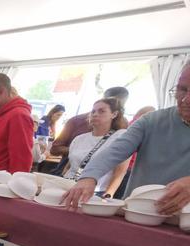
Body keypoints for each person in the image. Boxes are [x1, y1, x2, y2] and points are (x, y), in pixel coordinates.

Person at [63, 63, 190, 215]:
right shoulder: (152, 121)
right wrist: (88, 177)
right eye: (182, 90)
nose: (186, 100)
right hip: (137, 213)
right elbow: (113, 152)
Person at [63, 98, 130, 197]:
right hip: (68, 187)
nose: (95, 114)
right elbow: (69, 166)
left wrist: (107, 196)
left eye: (101, 111)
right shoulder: (79, 138)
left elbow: (119, 173)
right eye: (93, 111)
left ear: (114, 114)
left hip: (95, 192)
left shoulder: (120, 136)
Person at [51, 86, 129, 157]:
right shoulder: (77, 121)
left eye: (119, 106)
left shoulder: (123, 127)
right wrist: (79, 151)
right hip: (71, 166)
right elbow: (55, 149)